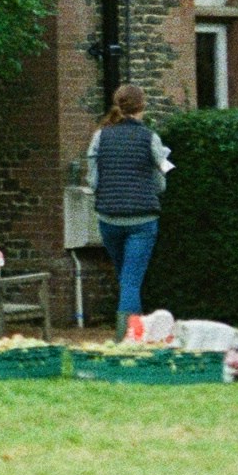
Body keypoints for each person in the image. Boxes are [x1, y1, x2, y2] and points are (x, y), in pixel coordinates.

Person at [88, 85, 173, 327]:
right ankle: (128, 336)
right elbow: (160, 183)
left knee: (125, 278)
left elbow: (93, 181)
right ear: (142, 106)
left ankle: (130, 329)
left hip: (109, 219)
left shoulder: (100, 136)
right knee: (131, 281)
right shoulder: (150, 137)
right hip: (142, 221)